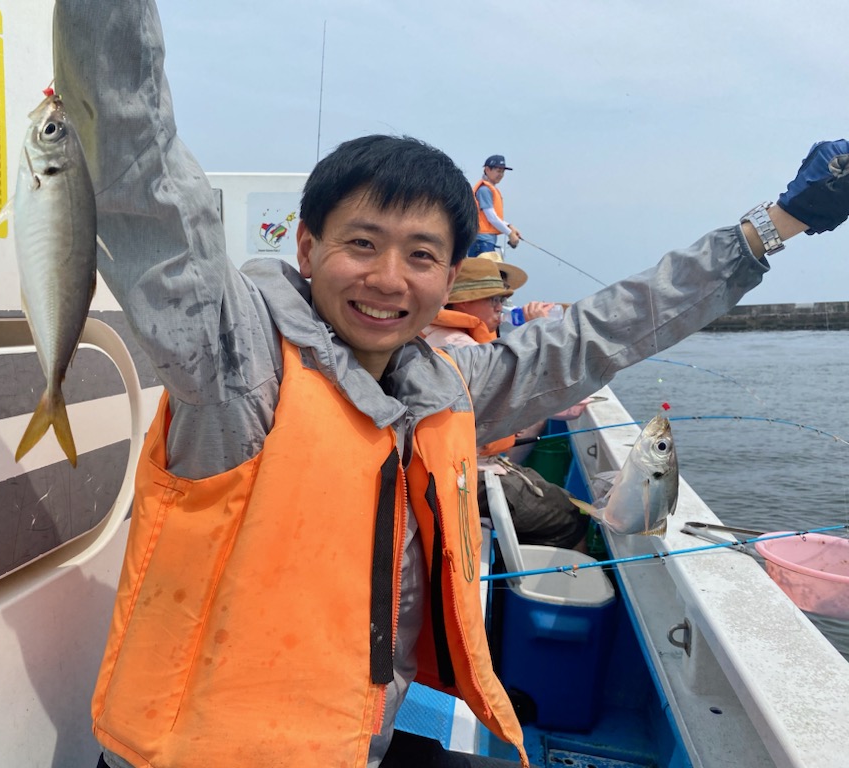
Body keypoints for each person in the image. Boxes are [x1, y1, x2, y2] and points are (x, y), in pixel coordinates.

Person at [53, 2, 848, 766]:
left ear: (449, 275)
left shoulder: (443, 385)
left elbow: (599, 332)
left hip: (354, 743)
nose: (388, 278)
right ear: (306, 247)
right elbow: (142, 170)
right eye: (362, 243)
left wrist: (770, 227)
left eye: (422, 256)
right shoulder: (234, 363)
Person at [422, 260, 590, 551]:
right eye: (494, 299)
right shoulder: (462, 348)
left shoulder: (435, 334)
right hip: (465, 475)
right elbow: (520, 392)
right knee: (573, 516)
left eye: (502, 300)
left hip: (457, 465)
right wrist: (537, 327)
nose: (501, 307)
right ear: (463, 301)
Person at [467, 155, 521, 258]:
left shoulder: (490, 189)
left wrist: (509, 226)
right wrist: (510, 233)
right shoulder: (484, 190)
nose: (501, 175)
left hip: (486, 242)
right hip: (481, 243)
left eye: (502, 172)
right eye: (498, 171)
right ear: (487, 169)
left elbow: (491, 217)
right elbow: (491, 217)